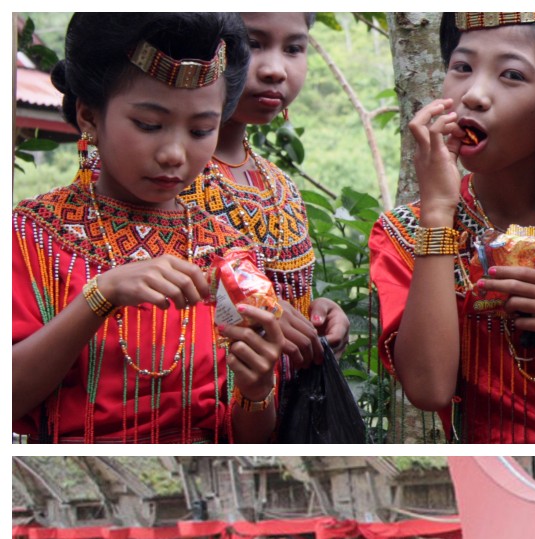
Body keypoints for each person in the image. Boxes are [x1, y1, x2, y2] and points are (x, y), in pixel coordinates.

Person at [12, 13, 285, 443]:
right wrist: (100, 297)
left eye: (201, 129)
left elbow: (254, 440)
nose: (175, 153)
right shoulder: (32, 237)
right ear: (89, 116)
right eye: (149, 125)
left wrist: (257, 390)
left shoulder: (232, 253)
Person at [372, 12, 535, 443]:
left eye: (511, 75)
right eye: (462, 67)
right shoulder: (404, 230)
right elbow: (429, 388)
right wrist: (438, 211)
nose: (475, 95)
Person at [179, 11, 349, 373]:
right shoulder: (164, 175)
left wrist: (314, 314)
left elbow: (285, 294)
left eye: (293, 48)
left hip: (282, 422)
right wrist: (253, 306)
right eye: (253, 44)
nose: (275, 69)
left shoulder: (280, 184)